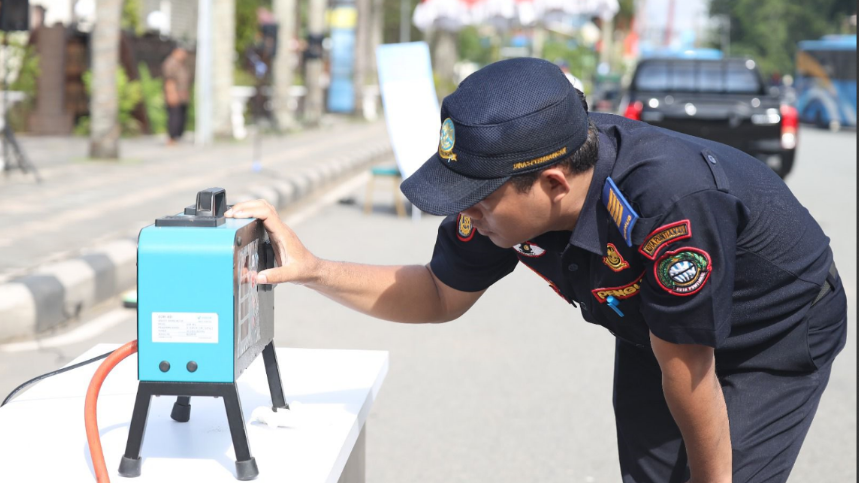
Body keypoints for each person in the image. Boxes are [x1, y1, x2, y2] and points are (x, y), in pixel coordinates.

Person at [225, 58, 847, 482]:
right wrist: (312, 269)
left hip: (769, 332)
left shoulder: (666, 206)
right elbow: (441, 293)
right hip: (657, 330)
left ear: (551, 184)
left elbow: (690, 371)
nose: (466, 214)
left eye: (477, 199)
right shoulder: (509, 199)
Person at [161, 46, 191, 145]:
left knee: (181, 117)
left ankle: (177, 137)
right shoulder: (171, 63)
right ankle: (172, 138)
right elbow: (169, 81)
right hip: (175, 94)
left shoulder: (182, 63)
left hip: (182, 95)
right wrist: (172, 94)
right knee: (174, 117)